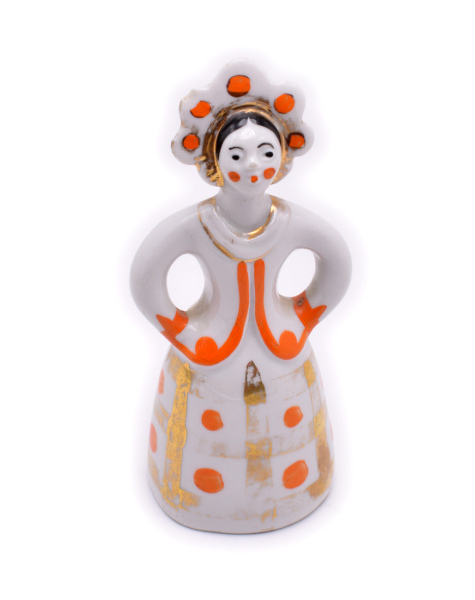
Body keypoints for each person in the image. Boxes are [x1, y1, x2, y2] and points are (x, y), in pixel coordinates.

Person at [130, 61, 351, 533]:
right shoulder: (196, 226)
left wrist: (304, 317)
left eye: (265, 152)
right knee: (203, 436)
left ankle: (297, 493)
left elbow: (337, 260)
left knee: (287, 431)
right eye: (237, 154)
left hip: (281, 350)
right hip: (209, 357)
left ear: (283, 156)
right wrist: (183, 334)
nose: (252, 166)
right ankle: (194, 500)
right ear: (214, 161)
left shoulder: (291, 223)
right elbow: (146, 278)